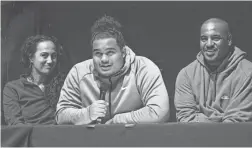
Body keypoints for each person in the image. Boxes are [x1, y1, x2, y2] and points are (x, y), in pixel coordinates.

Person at [56, 15, 169, 125]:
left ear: (123, 52)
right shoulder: (78, 72)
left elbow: (159, 112)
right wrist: (87, 114)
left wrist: (118, 120)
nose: (104, 59)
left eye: (110, 52)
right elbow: (60, 115)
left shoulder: (143, 68)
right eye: (98, 53)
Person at [174, 18, 252, 122]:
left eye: (215, 38)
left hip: (235, 137)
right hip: (195, 136)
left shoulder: (248, 72)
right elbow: (185, 117)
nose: (209, 44)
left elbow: (237, 120)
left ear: (229, 40)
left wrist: (205, 121)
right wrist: (219, 121)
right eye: (204, 39)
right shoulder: (186, 74)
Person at [3, 35, 66, 125]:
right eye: (44, 55)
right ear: (31, 58)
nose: (50, 61)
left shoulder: (63, 85)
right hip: (29, 137)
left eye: (54, 56)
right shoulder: (13, 88)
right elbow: (15, 124)